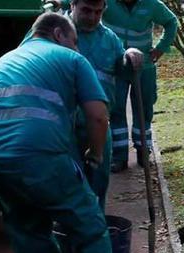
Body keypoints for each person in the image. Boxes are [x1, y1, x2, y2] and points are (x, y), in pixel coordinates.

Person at [0, 12, 145, 253]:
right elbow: (98, 116)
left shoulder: (5, 59)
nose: (77, 48)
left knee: (28, 228)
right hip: (39, 155)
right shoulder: (70, 59)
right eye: (74, 41)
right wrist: (94, 156)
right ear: (58, 34)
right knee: (89, 223)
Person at [67, 0, 145, 210]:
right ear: (72, 5)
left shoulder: (109, 39)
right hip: (64, 129)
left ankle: (95, 234)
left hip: (100, 127)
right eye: (86, 10)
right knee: (69, 189)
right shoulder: (55, 32)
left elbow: (123, 69)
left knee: (98, 188)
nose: (92, 17)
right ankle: (68, 239)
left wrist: (130, 54)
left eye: (98, 12)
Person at [102, 0, 177, 172]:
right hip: (116, 65)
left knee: (144, 108)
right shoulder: (109, 2)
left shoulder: (151, 4)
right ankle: (119, 156)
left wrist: (161, 48)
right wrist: (59, 3)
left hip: (144, 67)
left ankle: (143, 150)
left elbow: (171, 22)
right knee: (116, 109)